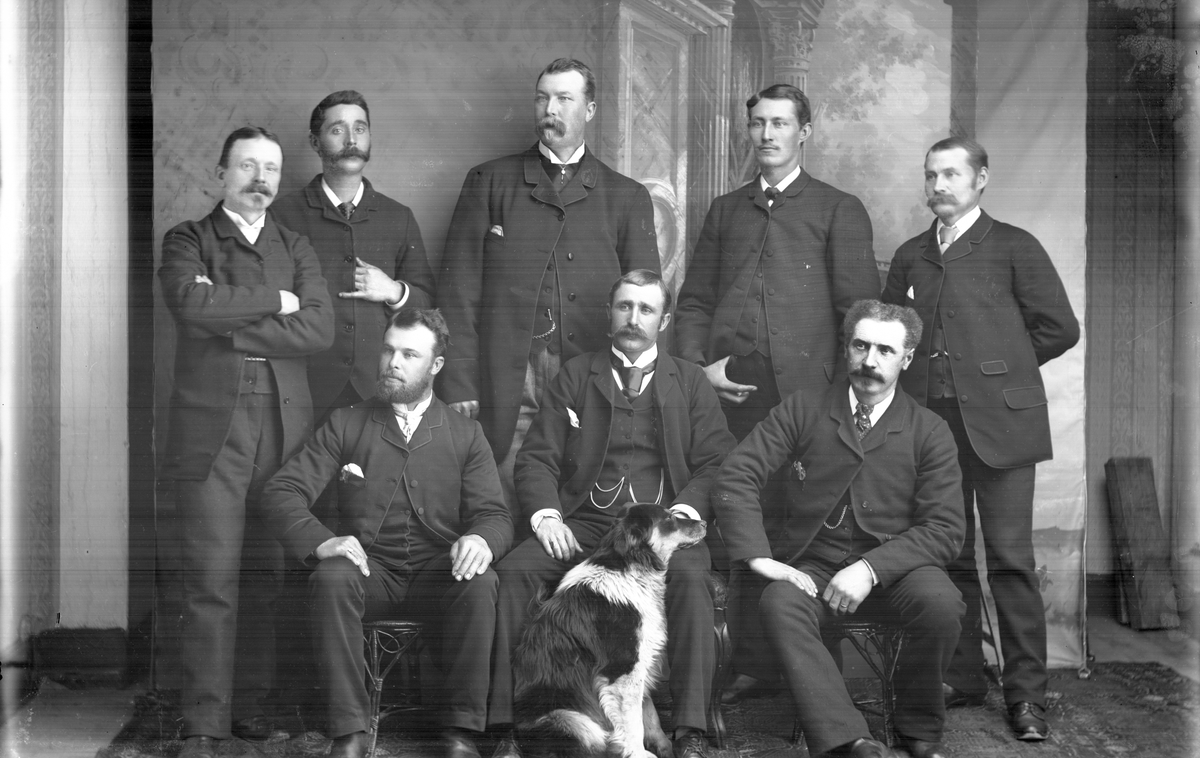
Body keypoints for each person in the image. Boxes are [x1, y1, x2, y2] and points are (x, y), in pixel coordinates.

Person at [490, 270, 737, 758]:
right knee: (514, 571)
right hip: (584, 521)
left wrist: (681, 512)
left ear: (664, 320)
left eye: (646, 309)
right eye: (625, 306)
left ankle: (690, 729)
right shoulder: (576, 374)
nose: (634, 318)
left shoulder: (689, 381)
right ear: (609, 313)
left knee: (691, 578)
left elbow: (717, 461)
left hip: (661, 526)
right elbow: (536, 458)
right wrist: (547, 516)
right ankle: (506, 725)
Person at [882, 137, 1080, 742]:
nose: (938, 185)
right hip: (932, 429)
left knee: (1011, 561)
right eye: (930, 175)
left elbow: (1059, 328)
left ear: (981, 179)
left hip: (1004, 427)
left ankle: (1026, 697)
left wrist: (999, 370)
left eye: (951, 174)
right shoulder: (911, 255)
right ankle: (964, 676)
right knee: (949, 554)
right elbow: (892, 336)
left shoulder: (1015, 245)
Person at [713, 300, 966, 758]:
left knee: (942, 603)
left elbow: (945, 528)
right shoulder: (804, 408)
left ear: (907, 358)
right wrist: (758, 556)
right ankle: (848, 738)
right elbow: (736, 474)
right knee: (780, 602)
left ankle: (918, 726)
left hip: (898, 570)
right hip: (815, 564)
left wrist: (870, 569)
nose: (870, 361)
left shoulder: (930, 430)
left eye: (886, 351)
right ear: (846, 347)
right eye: (861, 346)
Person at [260, 308, 513, 758]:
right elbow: (281, 492)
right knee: (331, 576)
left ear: (436, 365)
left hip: (439, 575)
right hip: (370, 573)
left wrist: (480, 540)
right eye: (388, 350)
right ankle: (349, 731)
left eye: (409, 355)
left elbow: (495, 515)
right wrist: (321, 541)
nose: (393, 362)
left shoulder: (466, 434)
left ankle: (461, 732)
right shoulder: (346, 422)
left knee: (482, 580)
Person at [158, 127, 335, 758]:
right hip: (213, 429)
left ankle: (251, 708)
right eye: (247, 166)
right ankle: (204, 724)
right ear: (221, 173)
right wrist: (276, 301)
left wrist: (229, 325)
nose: (261, 179)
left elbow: (319, 329)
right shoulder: (188, 239)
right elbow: (189, 304)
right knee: (211, 579)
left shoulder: (296, 244)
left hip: (283, 429)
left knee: (265, 575)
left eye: (271, 169)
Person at [437, 58, 660, 513]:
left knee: (584, 493)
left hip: (592, 371)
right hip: (507, 373)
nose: (550, 109)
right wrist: (459, 381)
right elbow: (458, 293)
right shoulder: (488, 181)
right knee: (502, 495)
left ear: (590, 109)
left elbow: (645, 304)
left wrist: (637, 380)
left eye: (563, 98)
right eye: (542, 98)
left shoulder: (626, 196)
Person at [675, 83, 879, 442]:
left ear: (804, 132)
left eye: (779, 124)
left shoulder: (838, 208)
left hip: (809, 395)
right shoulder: (725, 209)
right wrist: (699, 371)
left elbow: (860, 317)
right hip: (726, 391)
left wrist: (841, 396)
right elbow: (695, 303)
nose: (766, 135)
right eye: (758, 123)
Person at [271, 89, 435, 422]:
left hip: (377, 388)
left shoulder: (398, 216)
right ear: (315, 142)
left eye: (360, 128)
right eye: (337, 129)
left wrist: (394, 291)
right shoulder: (282, 215)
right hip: (305, 389)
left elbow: (428, 302)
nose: (351, 139)